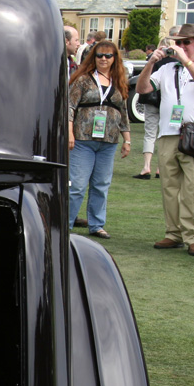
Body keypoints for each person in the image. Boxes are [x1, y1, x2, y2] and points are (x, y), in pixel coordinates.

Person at [135, 23, 194, 257]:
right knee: (169, 187)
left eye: (186, 42)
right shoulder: (167, 68)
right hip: (169, 133)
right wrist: (151, 63)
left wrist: (186, 61)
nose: (181, 47)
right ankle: (173, 233)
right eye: (178, 43)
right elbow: (143, 89)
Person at [67, 41, 131, 239]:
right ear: (93, 57)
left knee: (101, 184)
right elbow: (70, 107)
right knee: (77, 185)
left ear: (115, 59)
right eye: (100, 55)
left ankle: (96, 225)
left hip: (108, 141)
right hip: (83, 140)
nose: (104, 59)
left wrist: (127, 140)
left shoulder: (119, 81)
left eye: (108, 55)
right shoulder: (83, 79)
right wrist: (69, 133)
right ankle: (65, 223)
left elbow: (123, 112)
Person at [135, 30, 179, 180]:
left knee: (150, 133)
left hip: (152, 101)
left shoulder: (154, 61)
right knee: (166, 133)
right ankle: (161, 167)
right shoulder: (176, 64)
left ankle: (147, 166)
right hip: (170, 103)